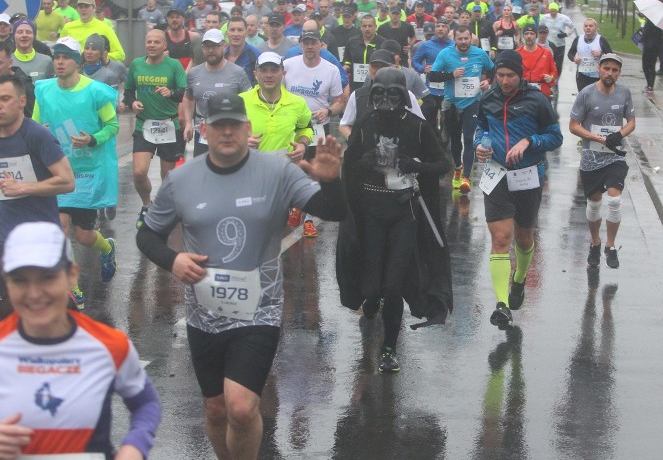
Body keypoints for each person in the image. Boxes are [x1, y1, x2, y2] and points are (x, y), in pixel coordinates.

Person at [136, 93, 346, 460]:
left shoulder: (277, 170)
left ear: (249, 128)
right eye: (219, 125)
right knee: (216, 409)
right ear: (204, 130)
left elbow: (334, 211)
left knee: (242, 408)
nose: (227, 132)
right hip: (203, 315)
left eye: (235, 124)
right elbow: (146, 234)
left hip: (259, 310)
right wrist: (173, 261)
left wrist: (331, 182)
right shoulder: (182, 179)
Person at [0, 221, 162, 459]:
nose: (34, 294)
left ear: (71, 276)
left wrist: (135, 447)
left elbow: (146, 403)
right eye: (20, 280)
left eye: (47, 278)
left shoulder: (108, 344)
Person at [337, 68, 451, 372]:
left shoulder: (417, 127)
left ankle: (389, 348)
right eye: (380, 94)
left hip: (405, 213)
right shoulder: (364, 125)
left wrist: (415, 164)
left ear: (404, 96)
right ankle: (370, 304)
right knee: (372, 288)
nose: (386, 100)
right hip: (372, 212)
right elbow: (349, 167)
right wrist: (362, 162)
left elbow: (444, 163)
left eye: (393, 94)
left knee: (393, 286)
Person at [474, 50, 563, 329]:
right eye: (500, 75)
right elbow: (480, 127)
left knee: (524, 238)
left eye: (510, 75)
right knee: (501, 238)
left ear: (520, 75)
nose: (504, 81)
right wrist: (481, 142)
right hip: (497, 173)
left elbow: (555, 136)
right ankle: (501, 305)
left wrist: (529, 141)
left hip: (528, 175)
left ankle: (519, 279)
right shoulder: (487, 98)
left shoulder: (537, 100)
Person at [32, 37, 120, 310]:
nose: (59, 62)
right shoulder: (44, 90)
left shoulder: (96, 91)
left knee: (83, 236)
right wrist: (41, 131)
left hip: (87, 171)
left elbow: (113, 124)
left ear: (78, 62)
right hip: (58, 170)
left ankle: (107, 248)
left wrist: (92, 139)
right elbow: (35, 124)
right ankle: (73, 287)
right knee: (61, 228)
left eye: (65, 57)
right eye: (56, 57)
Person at [569, 53, 636, 270]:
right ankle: (595, 242)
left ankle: (611, 245)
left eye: (614, 70)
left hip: (615, 156)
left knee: (615, 201)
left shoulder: (624, 93)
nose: (610, 73)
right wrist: (594, 137)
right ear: (599, 69)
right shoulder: (586, 94)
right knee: (594, 205)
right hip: (591, 157)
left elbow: (632, 121)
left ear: (619, 73)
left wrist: (620, 134)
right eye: (606, 69)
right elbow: (573, 125)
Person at [282, 28, 345, 238]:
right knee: (295, 168)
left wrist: (327, 110)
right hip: (293, 127)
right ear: (301, 45)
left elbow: (339, 102)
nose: (309, 47)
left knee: (315, 172)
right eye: (306, 43)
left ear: (321, 45)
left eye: (313, 42)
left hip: (318, 127)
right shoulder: (288, 66)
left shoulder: (331, 69)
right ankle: (296, 207)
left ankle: (308, 218)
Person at [0, 74, 74, 249]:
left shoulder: (37, 135)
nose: (0, 105)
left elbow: (68, 182)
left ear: (22, 101)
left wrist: (22, 187)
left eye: (5, 99)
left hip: (39, 242)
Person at [124, 29, 187, 229]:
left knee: (167, 177)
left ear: (164, 46)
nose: (152, 45)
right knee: (139, 172)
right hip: (145, 124)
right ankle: (147, 205)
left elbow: (183, 93)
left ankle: (164, 207)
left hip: (169, 125)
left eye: (156, 42)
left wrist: (171, 93)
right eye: (149, 41)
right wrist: (132, 103)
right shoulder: (136, 65)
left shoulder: (174, 65)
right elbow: (127, 92)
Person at [429, 25, 494, 194]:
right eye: (460, 39)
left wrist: (488, 82)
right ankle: (458, 167)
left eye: (466, 38)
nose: (464, 42)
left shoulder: (479, 54)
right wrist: (451, 75)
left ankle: (466, 176)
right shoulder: (445, 54)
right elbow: (433, 75)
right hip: (452, 103)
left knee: (468, 139)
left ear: (471, 38)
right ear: (454, 39)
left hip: (472, 102)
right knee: (455, 140)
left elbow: (492, 69)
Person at [183, 29, 252, 156]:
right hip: (202, 132)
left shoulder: (238, 72)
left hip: (229, 131)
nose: (210, 50)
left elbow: (250, 102)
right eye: (207, 46)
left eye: (215, 46)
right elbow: (188, 98)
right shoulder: (194, 73)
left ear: (224, 46)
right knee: (203, 171)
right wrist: (188, 122)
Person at [240, 51, 313, 157]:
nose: (269, 75)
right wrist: (241, 142)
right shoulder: (240, 101)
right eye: (264, 70)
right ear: (255, 74)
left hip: (285, 168)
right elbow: (227, 134)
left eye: (274, 70)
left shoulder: (298, 103)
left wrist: (302, 145)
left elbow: (305, 128)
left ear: (283, 73)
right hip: (250, 168)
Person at [60, 0, 125, 62]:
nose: (83, 9)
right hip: (74, 68)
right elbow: (59, 50)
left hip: (95, 68)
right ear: (77, 9)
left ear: (94, 8)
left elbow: (120, 55)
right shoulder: (68, 27)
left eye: (86, 6)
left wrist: (98, 57)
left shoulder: (105, 28)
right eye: (80, 7)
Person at [567, 18, 613, 93]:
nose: (588, 27)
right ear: (583, 28)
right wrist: (574, 58)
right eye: (586, 26)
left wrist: (600, 55)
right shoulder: (578, 39)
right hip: (581, 75)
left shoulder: (601, 40)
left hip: (597, 76)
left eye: (591, 26)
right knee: (583, 97)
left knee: (595, 98)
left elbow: (611, 57)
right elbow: (570, 54)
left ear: (596, 28)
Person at [518, 25, 558, 99]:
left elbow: (554, 71)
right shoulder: (517, 53)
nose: (529, 36)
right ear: (523, 36)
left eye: (532, 33)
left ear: (536, 36)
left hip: (542, 92)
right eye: (526, 34)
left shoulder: (546, 52)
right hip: (522, 91)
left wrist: (551, 77)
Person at [540, 2, 577, 79]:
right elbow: (541, 28)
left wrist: (566, 34)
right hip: (548, 44)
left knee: (558, 63)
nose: (553, 12)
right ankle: (548, 77)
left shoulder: (564, 18)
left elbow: (573, 28)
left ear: (557, 10)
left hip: (560, 44)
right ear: (549, 10)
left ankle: (557, 79)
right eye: (551, 11)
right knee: (548, 61)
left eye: (555, 11)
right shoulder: (545, 18)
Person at [11, 19, 54, 84]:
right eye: (20, 32)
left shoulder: (46, 61)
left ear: (34, 36)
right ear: (13, 36)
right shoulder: (7, 61)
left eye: (28, 32)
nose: (24, 35)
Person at [640, 16, 663, 93]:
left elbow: (645, 35)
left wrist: (641, 37)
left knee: (645, 66)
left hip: (648, 48)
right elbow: (662, 36)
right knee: (652, 67)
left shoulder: (649, 22)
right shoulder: (660, 23)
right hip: (656, 48)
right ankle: (650, 86)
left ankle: (649, 85)